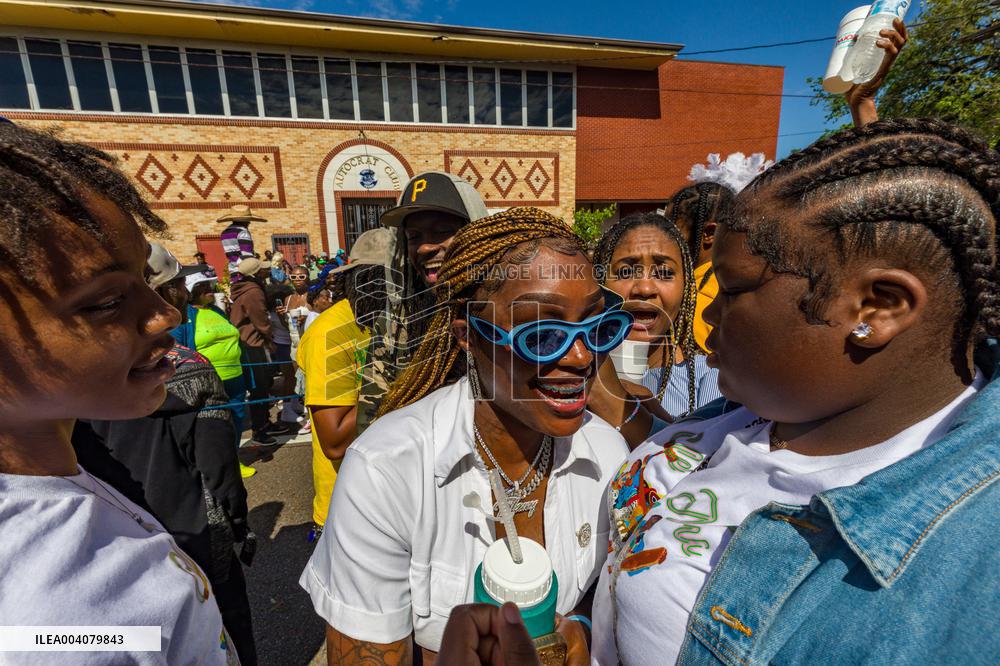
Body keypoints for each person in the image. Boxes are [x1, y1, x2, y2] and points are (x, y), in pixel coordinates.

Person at [591, 118, 999, 665]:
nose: (708, 311)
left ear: (878, 307)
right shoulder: (767, 406)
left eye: (734, 289)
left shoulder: (970, 570)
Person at [301, 208, 630, 664]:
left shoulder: (608, 455)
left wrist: (584, 628)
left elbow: (614, 593)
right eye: (541, 334)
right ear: (467, 335)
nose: (580, 357)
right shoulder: (387, 470)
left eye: (598, 328)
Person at [0, 122, 238, 662]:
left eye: (144, 280)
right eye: (106, 301)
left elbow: (142, 638)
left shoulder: (53, 488)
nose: (164, 315)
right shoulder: (46, 612)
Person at [72, 245, 257, 664]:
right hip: (196, 539)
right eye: (174, 288)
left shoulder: (80, 378)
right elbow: (220, 471)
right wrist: (240, 527)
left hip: (114, 540)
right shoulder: (191, 368)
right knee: (224, 629)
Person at [356, 171, 489, 435]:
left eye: (442, 232)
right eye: (414, 237)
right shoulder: (396, 325)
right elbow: (371, 420)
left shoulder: (510, 313)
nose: (425, 248)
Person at [296, 228, 392, 543]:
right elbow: (334, 440)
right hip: (348, 512)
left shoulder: (396, 322)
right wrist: (394, 379)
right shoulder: (330, 333)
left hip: (392, 499)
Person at [592, 212, 722, 429]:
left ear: (686, 286)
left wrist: (634, 414)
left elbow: (711, 460)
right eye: (625, 272)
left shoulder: (710, 377)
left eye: (664, 273)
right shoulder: (574, 372)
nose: (644, 289)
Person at [661, 183, 736, 353]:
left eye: (671, 229)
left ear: (709, 234)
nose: (663, 238)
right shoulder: (733, 282)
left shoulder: (697, 302)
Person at [229, 255, 282, 445]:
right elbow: (260, 319)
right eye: (263, 269)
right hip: (252, 344)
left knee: (263, 385)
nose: (266, 271)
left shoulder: (243, 288)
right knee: (259, 388)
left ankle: (265, 423)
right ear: (256, 273)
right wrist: (270, 338)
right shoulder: (253, 292)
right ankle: (259, 431)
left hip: (248, 342)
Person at [219, 204, 267, 279]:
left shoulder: (224, 233)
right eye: (248, 221)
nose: (249, 223)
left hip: (233, 270)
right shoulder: (242, 232)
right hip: (244, 272)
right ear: (245, 221)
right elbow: (246, 255)